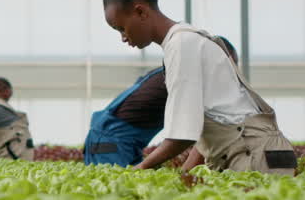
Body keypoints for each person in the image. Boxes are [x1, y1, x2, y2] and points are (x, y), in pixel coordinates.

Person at [100, 0, 296, 175]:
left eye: (121, 28)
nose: (123, 38)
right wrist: (183, 176)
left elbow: (182, 136)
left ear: (141, 12)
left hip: (254, 155)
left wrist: (139, 170)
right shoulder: (187, 41)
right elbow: (203, 128)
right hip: (261, 152)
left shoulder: (182, 46)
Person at [83, 38, 239, 168]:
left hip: (115, 140)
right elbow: (197, 136)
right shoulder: (192, 78)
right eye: (228, 66)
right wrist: (184, 174)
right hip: (109, 142)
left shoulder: (174, 70)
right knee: (115, 197)